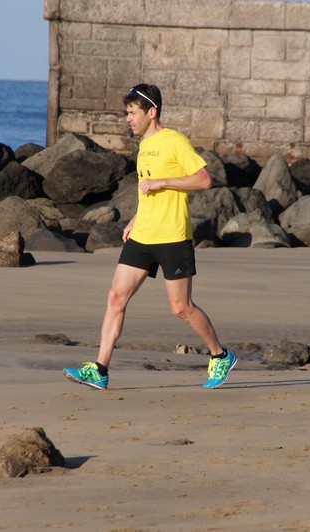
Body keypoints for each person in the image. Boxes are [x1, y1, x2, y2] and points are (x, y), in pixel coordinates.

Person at [63, 83, 236, 390]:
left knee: (181, 308)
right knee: (116, 297)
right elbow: (146, 191)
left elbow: (204, 180)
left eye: (132, 113)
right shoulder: (144, 146)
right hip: (143, 234)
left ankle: (220, 355)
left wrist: (163, 182)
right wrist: (135, 219)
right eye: (127, 113)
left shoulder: (174, 141)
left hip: (172, 235)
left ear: (151, 112)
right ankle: (100, 369)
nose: (128, 119)